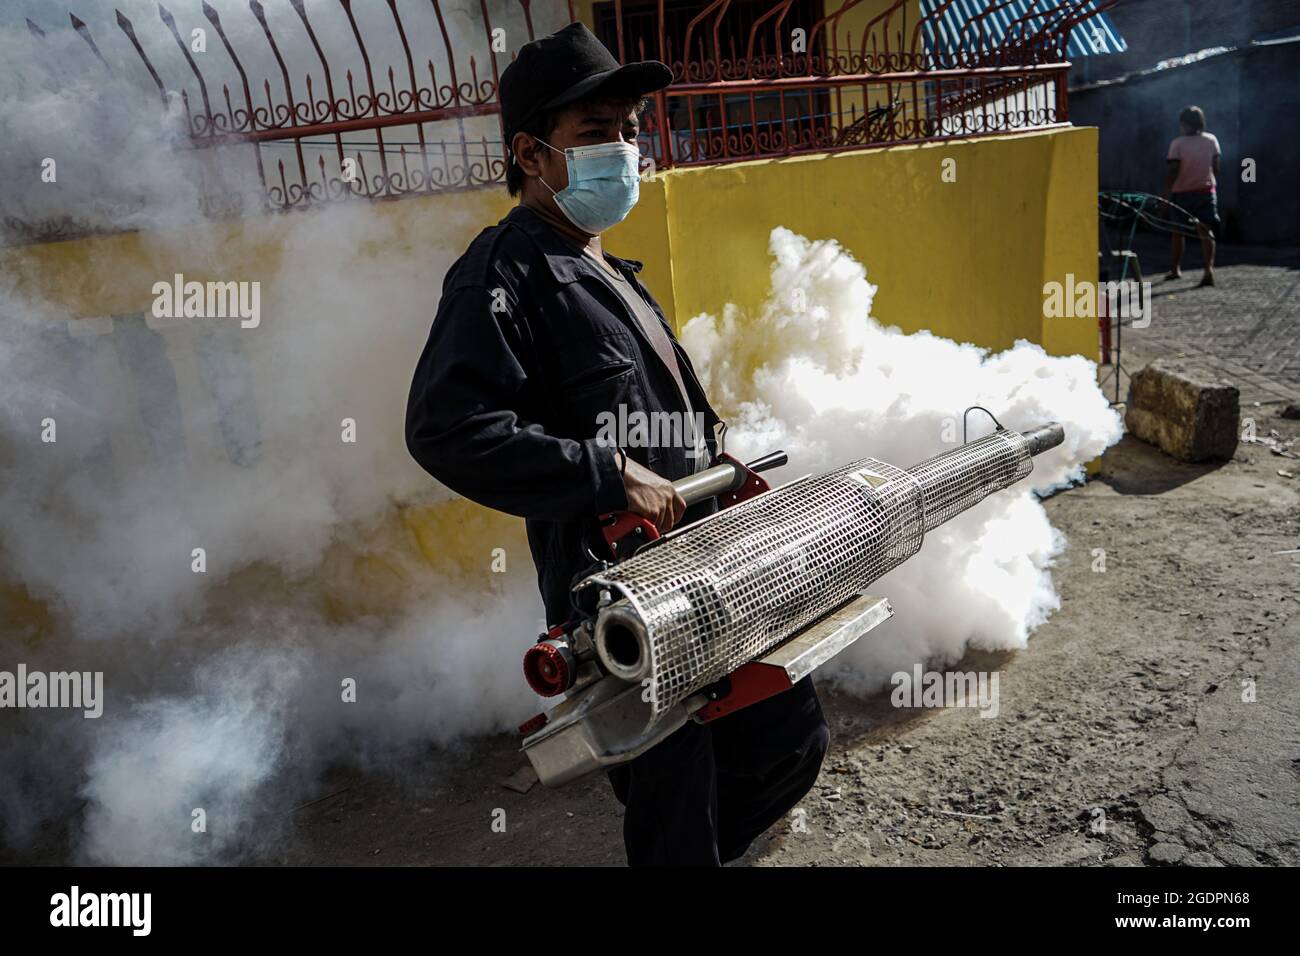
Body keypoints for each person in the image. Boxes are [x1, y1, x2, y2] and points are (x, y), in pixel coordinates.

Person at [404, 22, 830, 867]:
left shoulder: (605, 270)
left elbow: (649, 414)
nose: (624, 149)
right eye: (596, 133)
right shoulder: (501, 273)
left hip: (706, 562)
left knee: (788, 737)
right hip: (618, 598)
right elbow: (445, 429)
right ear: (532, 154)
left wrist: (719, 468)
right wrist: (603, 473)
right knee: (672, 804)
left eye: (630, 130)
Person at [1163, 105, 1221, 287]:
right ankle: (1208, 269)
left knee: (1178, 233)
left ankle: (1175, 269)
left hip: (1182, 193)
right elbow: (1216, 166)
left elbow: (1173, 170)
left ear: (1184, 123)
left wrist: (1165, 196)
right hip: (1206, 191)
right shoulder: (1211, 140)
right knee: (1205, 232)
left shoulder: (1177, 144)